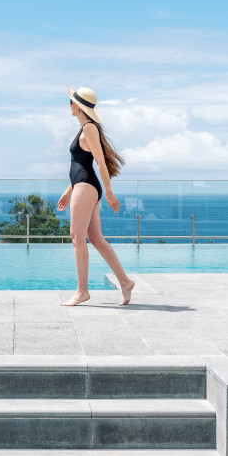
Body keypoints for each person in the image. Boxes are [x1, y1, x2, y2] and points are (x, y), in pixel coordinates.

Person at [56, 86, 135, 307]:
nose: (69, 105)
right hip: (82, 185)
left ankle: (82, 292)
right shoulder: (84, 128)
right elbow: (79, 165)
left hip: (86, 186)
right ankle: (125, 281)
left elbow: (99, 162)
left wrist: (109, 193)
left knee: (76, 237)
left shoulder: (89, 128)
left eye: (71, 102)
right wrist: (66, 192)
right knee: (96, 238)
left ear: (79, 107)